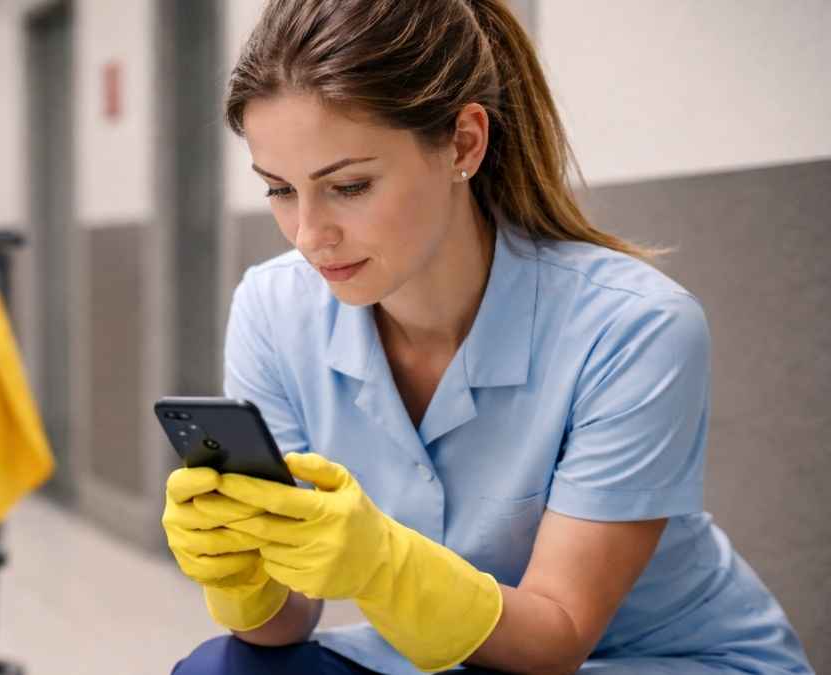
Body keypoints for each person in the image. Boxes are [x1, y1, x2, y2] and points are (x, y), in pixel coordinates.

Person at [162, 0, 815, 673]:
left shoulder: (634, 327)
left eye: (350, 186)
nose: (308, 235)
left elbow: (556, 637)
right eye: (279, 189)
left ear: (464, 144)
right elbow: (286, 625)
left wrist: (381, 564)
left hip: (657, 658)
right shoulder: (273, 309)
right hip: (445, 656)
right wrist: (242, 570)